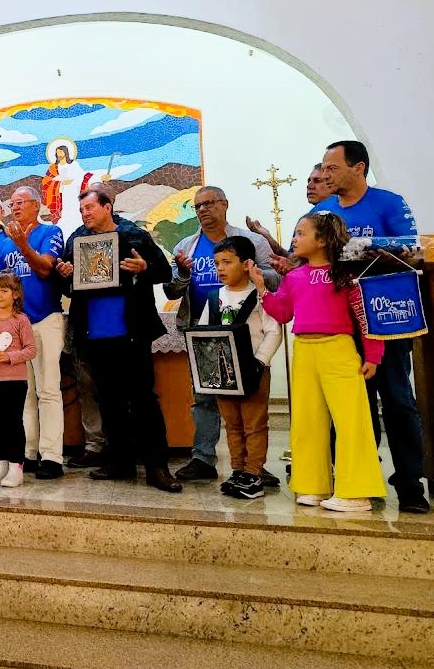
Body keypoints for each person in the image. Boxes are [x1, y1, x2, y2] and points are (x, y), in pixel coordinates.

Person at [312, 140, 428, 513]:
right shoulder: (322, 212)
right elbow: (312, 257)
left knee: (397, 399)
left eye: (332, 168)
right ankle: (360, 480)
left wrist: (361, 247)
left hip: (385, 313)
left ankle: (410, 484)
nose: (325, 175)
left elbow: (414, 249)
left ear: (358, 168)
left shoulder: (389, 202)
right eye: (323, 168)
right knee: (350, 405)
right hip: (339, 320)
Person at [250, 212, 385, 512]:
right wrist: (261, 289)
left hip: (338, 349)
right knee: (306, 421)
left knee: (351, 421)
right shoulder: (294, 276)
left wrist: (373, 354)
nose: (294, 239)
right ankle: (312, 484)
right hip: (304, 350)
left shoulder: (346, 275)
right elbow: (283, 312)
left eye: (301, 233)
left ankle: (356, 492)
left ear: (322, 240)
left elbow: (365, 316)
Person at [55, 189, 182, 492]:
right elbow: (68, 284)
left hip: (131, 330)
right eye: (82, 209)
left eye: (90, 207)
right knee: (109, 400)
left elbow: (164, 271)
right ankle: (119, 461)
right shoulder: (76, 240)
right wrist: (64, 273)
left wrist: (144, 268)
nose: (85, 214)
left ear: (107, 207)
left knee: (143, 399)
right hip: (94, 332)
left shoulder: (134, 235)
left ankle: (157, 466)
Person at [165, 186, 278, 485]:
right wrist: (182, 273)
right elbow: (172, 291)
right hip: (203, 330)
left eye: (209, 203)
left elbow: (277, 278)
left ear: (224, 204)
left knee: (249, 405)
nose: (203, 210)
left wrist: (252, 272)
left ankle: (253, 466)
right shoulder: (185, 246)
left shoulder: (250, 241)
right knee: (204, 398)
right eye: (197, 206)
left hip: (245, 332)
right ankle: (203, 458)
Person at [0, 186, 65, 479]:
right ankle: (27, 452)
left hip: (45, 319)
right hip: (15, 324)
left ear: (36, 205)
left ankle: (51, 457)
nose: (14, 207)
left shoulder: (50, 232)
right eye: (11, 203)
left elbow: (45, 269)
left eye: (20, 202)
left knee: (48, 390)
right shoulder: (4, 243)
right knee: (23, 394)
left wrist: (23, 244)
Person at [198, 237, 282, 500]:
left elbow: (273, 331)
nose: (220, 268)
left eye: (227, 262)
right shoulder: (215, 297)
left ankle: (254, 473)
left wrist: (260, 361)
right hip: (224, 372)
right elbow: (204, 332)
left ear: (247, 264)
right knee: (232, 423)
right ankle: (238, 470)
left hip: (254, 370)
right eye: (216, 263)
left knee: (254, 423)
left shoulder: (259, 296)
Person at [0, 272, 37, 487]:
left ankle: (16, 467)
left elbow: (31, 350)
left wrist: (10, 357)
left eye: (4, 290)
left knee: (13, 424)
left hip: (15, 382)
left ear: (16, 294)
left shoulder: (21, 320)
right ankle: (0, 465)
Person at [247, 164, 331, 258]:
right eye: (309, 181)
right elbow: (295, 259)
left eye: (317, 180)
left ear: (331, 182)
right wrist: (268, 238)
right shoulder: (307, 219)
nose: (309, 186)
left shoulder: (335, 216)